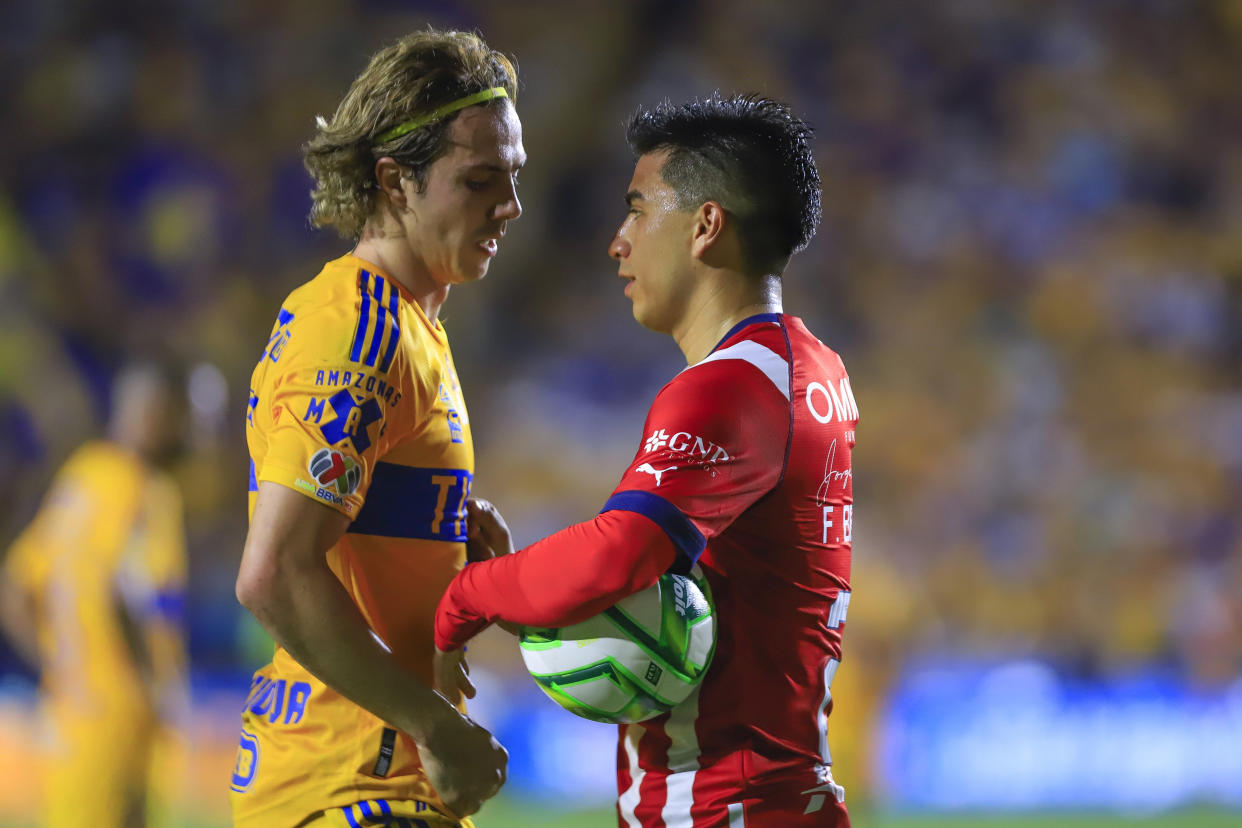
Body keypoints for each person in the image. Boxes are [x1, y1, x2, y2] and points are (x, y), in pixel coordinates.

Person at [435, 93, 858, 826]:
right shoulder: (814, 369)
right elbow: (704, 591)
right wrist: (526, 588)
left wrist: (465, 597)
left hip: (727, 809)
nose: (618, 241)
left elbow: (621, 554)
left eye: (637, 209)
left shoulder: (731, 385)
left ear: (705, 226)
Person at [230, 29, 521, 827]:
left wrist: (439, 530)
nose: (510, 205)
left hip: (374, 789)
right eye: (479, 180)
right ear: (395, 182)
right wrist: (436, 727)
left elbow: (346, 531)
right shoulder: (360, 334)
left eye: (514, 176)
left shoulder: (411, 324)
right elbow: (276, 574)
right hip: (349, 789)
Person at [0, 363, 189, 828]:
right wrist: (152, 681)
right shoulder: (141, 488)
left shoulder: (82, 476)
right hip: (119, 710)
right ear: (156, 416)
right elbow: (124, 588)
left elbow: (14, 590)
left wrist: (60, 665)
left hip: (72, 708)